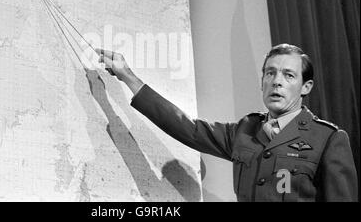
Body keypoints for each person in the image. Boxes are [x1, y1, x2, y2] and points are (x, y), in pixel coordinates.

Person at [96, 43, 358, 202]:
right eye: (270, 73)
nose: (276, 81)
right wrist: (128, 76)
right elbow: (187, 127)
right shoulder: (246, 130)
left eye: (288, 75)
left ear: (306, 87)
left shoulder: (328, 139)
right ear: (262, 81)